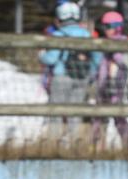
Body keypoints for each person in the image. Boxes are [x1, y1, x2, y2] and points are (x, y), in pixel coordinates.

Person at [40, 1, 98, 142]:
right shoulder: (86, 35)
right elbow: (96, 59)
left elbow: (51, 59)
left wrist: (41, 55)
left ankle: (53, 141)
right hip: (82, 77)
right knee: (75, 111)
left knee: (56, 111)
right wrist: (91, 74)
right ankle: (74, 141)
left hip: (62, 77)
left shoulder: (59, 35)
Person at [91, 11, 128, 149]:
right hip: (103, 85)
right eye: (105, 27)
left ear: (117, 27)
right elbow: (100, 63)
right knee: (98, 116)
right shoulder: (106, 43)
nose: (106, 30)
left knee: (118, 116)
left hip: (116, 85)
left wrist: (114, 52)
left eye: (109, 26)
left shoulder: (122, 42)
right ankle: (96, 144)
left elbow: (125, 61)